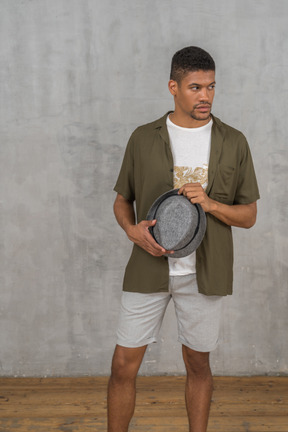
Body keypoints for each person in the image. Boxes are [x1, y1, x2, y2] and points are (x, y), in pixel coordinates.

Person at [108, 46, 260, 432]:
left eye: (211, 87)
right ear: (173, 87)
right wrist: (131, 230)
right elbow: (122, 200)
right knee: (123, 364)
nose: (205, 96)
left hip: (204, 272)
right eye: (195, 87)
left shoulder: (234, 142)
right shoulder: (143, 138)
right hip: (148, 266)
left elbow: (248, 216)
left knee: (198, 363)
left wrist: (210, 204)